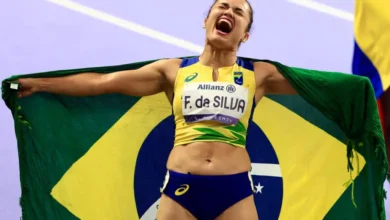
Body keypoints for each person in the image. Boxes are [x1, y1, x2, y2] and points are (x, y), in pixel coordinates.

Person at [16, 0, 296, 219]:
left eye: (238, 11)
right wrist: (40, 84)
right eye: (222, 6)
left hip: (235, 191)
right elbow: (104, 83)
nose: (229, 12)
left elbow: (322, 88)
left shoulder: (259, 75)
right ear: (206, 20)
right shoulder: (174, 71)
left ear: (245, 35)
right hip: (181, 189)